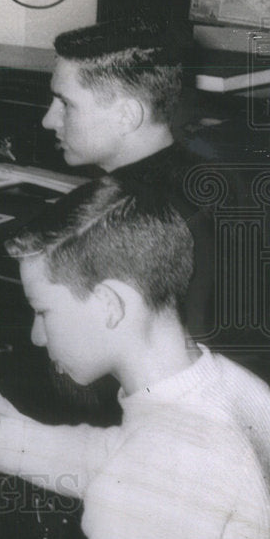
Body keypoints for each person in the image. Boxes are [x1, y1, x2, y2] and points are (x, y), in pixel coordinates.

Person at [0, 177, 270, 539]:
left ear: (109, 305)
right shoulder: (237, 386)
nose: (36, 336)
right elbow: (115, 458)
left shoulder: (155, 469)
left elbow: (140, 474)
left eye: (43, 311)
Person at [41, 19, 218, 340]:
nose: (48, 120)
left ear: (127, 115)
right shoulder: (203, 179)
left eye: (65, 104)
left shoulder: (129, 216)